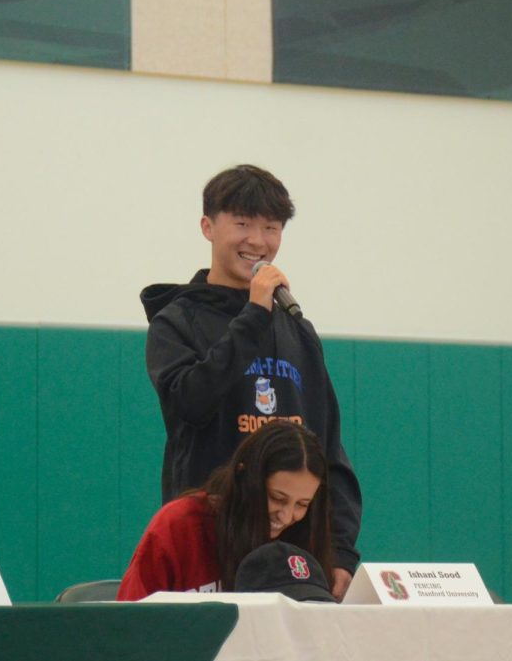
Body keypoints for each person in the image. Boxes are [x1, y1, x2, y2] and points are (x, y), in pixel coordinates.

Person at [140, 164, 362, 599]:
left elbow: (328, 447)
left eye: (271, 227)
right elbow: (190, 403)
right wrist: (253, 315)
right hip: (209, 542)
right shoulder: (176, 321)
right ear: (208, 226)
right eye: (242, 224)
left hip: (293, 552)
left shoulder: (297, 330)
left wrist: (340, 548)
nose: (257, 241)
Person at [117, 419, 334, 600]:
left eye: (302, 504)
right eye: (276, 498)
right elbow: (130, 623)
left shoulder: (305, 536)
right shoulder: (179, 526)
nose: (286, 516)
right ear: (243, 477)